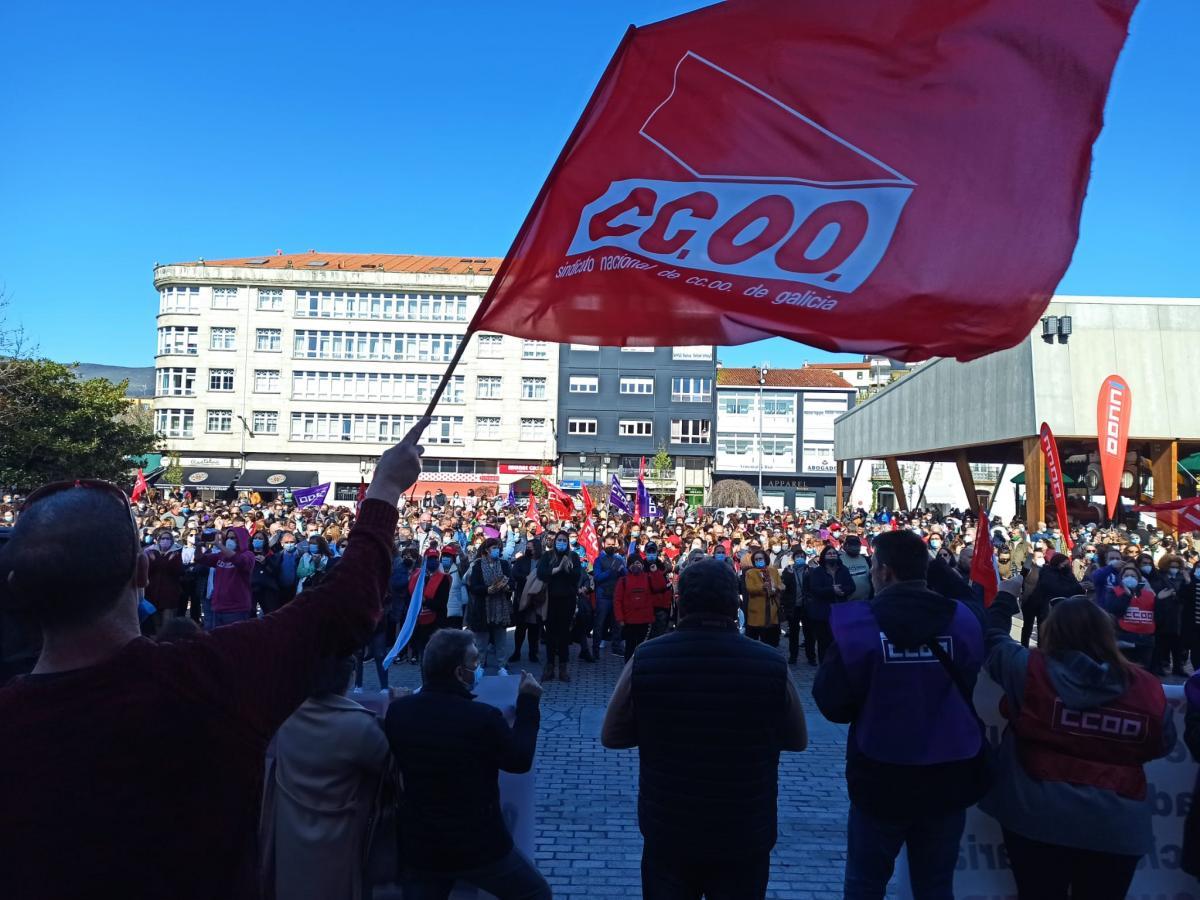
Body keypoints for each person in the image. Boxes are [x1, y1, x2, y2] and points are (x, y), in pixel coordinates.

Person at [0, 418, 427, 899]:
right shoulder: (209, 680)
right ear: (143, 571)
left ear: (15, 590)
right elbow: (347, 607)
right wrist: (385, 489)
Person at [601, 558, 808, 900]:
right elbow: (797, 739)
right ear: (735, 602)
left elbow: (612, 735)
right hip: (744, 826)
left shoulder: (647, 657)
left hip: (670, 827)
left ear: (680, 600)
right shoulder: (770, 663)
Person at [813, 530, 988, 900]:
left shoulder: (856, 625)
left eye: (873, 566)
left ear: (885, 572)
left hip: (881, 772)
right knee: (935, 884)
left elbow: (831, 703)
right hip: (949, 772)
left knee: (865, 882)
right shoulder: (964, 621)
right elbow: (973, 672)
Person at [982, 592, 1174, 898]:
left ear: (1051, 631)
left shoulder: (1029, 669)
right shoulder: (1147, 687)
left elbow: (992, 640)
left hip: (1038, 817)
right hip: (1117, 823)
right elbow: (1162, 744)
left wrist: (1004, 596)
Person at [383, 629, 550, 900]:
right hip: (479, 846)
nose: (479, 667)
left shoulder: (400, 712)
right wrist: (529, 703)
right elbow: (519, 759)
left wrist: (400, 703)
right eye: (474, 662)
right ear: (459, 674)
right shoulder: (483, 717)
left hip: (421, 846)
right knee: (535, 892)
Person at [262, 654, 391, 900]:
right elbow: (388, 766)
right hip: (339, 843)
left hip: (291, 839)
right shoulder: (360, 727)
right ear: (349, 677)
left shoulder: (286, 717)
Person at [536, 529, 582, 683]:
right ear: (555, 541)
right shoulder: (547, 556)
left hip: (567, 601)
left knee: (564, 635)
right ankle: (549, 666)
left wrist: (567, 569)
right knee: (550, 634)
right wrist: (557, 569)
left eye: (564, 540)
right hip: (550, 600)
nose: (561, 543)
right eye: (559, 540)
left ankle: (563, 667)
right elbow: (541, 573)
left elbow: (577, 576)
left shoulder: (573, 556)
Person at [467, 537, 512, 674]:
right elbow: (473, 587)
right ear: (486, 550)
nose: (496, 551)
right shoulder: (478, 566)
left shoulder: (504, 564)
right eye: (494, 548)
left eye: (498, 548)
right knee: (481, 640)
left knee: (501, 640)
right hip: (483, 607)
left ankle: (502, 665)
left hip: (500, 606)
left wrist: (507, 587)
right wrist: (486, 590)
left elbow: (512, 582)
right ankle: (480, 665)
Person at [197, 525, 255, 629]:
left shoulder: (248, 555)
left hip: (236, 609)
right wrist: (198, 545)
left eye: (233, 538)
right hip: (218, 607)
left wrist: (219, 545)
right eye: (228, 538)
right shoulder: (221, 555)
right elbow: (201, 559)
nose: (229, 540)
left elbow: (240, 562)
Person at [805, 544, 856, 663]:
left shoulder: (843, 570)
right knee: (824, 642)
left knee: (839, 641)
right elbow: (814, 589)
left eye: (834, 553)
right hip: (822, 612)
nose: (832, 555)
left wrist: (841, 591)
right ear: (824, 556)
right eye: (829, 553)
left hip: (840, 611)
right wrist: (831, 590)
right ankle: (824, 665)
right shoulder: (817, 571)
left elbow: (851, 586)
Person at [1021, 552, 1083, 647]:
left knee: (1042, 629)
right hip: (1034, 603)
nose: (1067, 566)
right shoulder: (1047, 572)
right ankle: (1025, 647)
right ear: (1058, 563)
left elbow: (1077, 588)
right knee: (1028, 627)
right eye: (1064, 564)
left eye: (1068, 564)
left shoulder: (1068, 574)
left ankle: (1041, 649)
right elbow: (1053, 587)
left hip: (1050, 607)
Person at [613, 553, 667, 662]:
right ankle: (629, 671)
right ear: (628, 566)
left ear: (642, 565)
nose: (636, 566)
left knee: (643, 648)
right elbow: (617, 601)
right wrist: (620, 618)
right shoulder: (623, 581)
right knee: (630, 648)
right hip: (629, 621)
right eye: (633, 564)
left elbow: (660, 586)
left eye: (638, 563)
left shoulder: (648, 577)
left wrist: (655, 571)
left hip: (645, 620)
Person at [1105, 561, 1157, 668]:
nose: (1130, 578)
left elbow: (1158, 614)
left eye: (1133, 576)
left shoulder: (1149, 594)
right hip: (1125, 638)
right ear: (1121, 578)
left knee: (1144, 670)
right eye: (1126, 575)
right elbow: (1114, 609)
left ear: (1139, 579)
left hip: (1145, 640)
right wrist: (1126, 596)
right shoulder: (1115, 592)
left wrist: (1160, 600)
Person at [410, 548, 450, 665]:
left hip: (437, 622)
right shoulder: (418, 577)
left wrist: (425, 601)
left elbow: (442, 603)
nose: (433, 561)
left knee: (436, 656)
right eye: (430, 558)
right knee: (424, 657)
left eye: (435, 558)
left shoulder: (443, 579)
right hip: (421, 624)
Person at [508, 539, 543, 664]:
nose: (529, 549)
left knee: (534, 628)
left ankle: (533, 653)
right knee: (520, 627)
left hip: (537, 598)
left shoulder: (543, 561)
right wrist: (526, 578)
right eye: (527, 547)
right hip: (522, 596)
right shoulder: (521, 560)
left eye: (531, 547)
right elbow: (515, 573)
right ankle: (517, 652)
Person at [740, 547, 785, 646]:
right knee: (754, 641)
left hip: (772, 609)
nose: (758, 561)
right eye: (756, 559)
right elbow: (750, 589)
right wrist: (762, 587)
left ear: (765, 559)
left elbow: (780, 584)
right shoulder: (750, 573)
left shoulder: (773, 571)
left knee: (772, 641)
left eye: (760, 559)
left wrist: (777, 587)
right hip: (757, 610)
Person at [593, 534, 627, 659]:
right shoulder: (599, 560)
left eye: (613, 545)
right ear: (603, 545)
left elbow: (626, 576)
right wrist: (611, 571)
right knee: (599, 624)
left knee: (617, 624)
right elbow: (597, 577)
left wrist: (622, 570)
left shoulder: (619, 559)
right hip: (603, 597)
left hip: (616, 596)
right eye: (608, 545)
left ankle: (616, 647)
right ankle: (595, 650)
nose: (611, 547)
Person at [145, 527, 182, 631]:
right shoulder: (150, 551)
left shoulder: (176, 552)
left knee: (167, 623)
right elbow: (147, 570)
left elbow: (177, 571)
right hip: (152, 592)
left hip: (169, 593)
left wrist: (165, 561)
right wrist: (156, 560)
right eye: (163, 538)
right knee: (155, 623)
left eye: (168, 538)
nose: (165, 541)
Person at [840, 535, 872, 601]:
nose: (854, 547)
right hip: (847, 602)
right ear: (845, 546)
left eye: (856, 544)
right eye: (851, 545)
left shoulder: (866, 559)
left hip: (866, 600)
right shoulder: (839, 560)